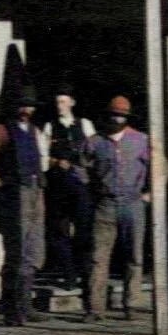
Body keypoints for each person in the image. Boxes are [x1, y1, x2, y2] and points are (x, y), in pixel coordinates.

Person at [0, 86, 46, 326]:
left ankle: (26, 305)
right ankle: (11, 310)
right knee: (16, 253)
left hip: (35, 192)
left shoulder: (36, 131)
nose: (27, 110)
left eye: (30, 105)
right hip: (15, 196)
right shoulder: (2, 132)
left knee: (33, 251)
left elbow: (43, 158)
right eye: (23, 105)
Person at [84, 95, 154, 322]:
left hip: (133, 203)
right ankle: (95, 309)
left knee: (134, 256)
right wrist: (91, 192)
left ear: (127, 118)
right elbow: (80, 170)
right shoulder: (95, 142)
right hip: (104, 204)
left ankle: (131, 305)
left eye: (122, 116)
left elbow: (160, 168)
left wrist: (148, 194)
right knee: (98, 257)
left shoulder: (142, 140)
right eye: (114, 115)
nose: (117, 119)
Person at [43, 88, 97, 287]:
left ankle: (87, 274)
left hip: (80, 185)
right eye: (58, 102)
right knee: (60, 231)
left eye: (64, 102)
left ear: (72, 103)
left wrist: (78, 162)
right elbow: (43, 156)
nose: (60, 106)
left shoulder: (85, 125)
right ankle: (69, 274)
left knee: (84, 230)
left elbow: (94, 153)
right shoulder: (50, 127)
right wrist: (56, 162)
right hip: (58, 186)